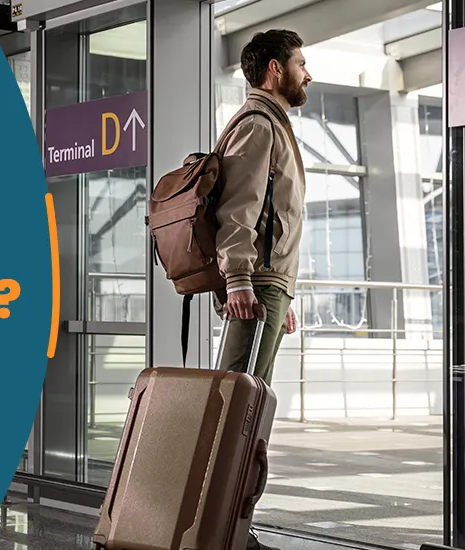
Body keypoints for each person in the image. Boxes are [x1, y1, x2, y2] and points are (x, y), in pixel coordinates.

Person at [212, 29, 312, 550]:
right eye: (300, 63)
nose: (307, 73)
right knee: (239, 407)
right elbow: (240, 210)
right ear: (275, 70)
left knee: (250, 407)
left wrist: (282, 292)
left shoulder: (272, 124)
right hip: (257, 286)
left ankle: (232, 527)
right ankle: (218, 529)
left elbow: (277, 217)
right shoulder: (257, 125)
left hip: (271, 288)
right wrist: (242, 279)